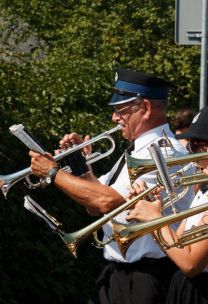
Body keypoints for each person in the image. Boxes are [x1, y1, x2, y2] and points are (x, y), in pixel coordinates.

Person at [29, 68, 195, 303]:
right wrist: (80, 165)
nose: (114, 118)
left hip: (148, 276)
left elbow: (106, 201)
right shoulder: (137, 149)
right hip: (119, 272)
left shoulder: (162, 152)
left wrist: (52, 172)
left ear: (145, 108)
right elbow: (94, 207)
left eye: (120, 110)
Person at [125, 103, 208, 304]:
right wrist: (151, 210)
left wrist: (154, 219)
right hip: (189, 288)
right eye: (190, 145)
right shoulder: (207, 190)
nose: (191, 152)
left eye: (198, 145)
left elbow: (190, 263)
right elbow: (178, 246)